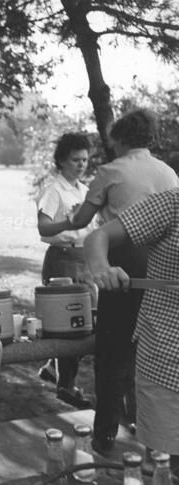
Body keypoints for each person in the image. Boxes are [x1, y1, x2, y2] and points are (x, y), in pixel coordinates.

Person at [68, 109, 178, 454]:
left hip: (126, 262)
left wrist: (68, 218)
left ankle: (105, 435)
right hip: (158, 262)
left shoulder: (111, 170)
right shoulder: (168, 172)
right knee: (142, 350)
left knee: (112, 354)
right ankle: (141, 426)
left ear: (119, 139)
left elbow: (84, 221)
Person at [84, 187, 179, 477]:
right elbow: (97, 237)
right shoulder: (172, 203)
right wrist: (102, 266)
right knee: (166, 468)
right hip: (167, 358)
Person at [35, 133, 94, 409]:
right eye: (75, 160)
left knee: (87, 322)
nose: (81, 164)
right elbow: (43, 228)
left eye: (84, 159)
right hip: (62, 259)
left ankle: (52, 367)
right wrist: (68, 223)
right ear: (61, 161)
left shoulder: (85, 191)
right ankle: (66, 386)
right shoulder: (54, 190)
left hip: (84, 260)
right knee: (72, 325)